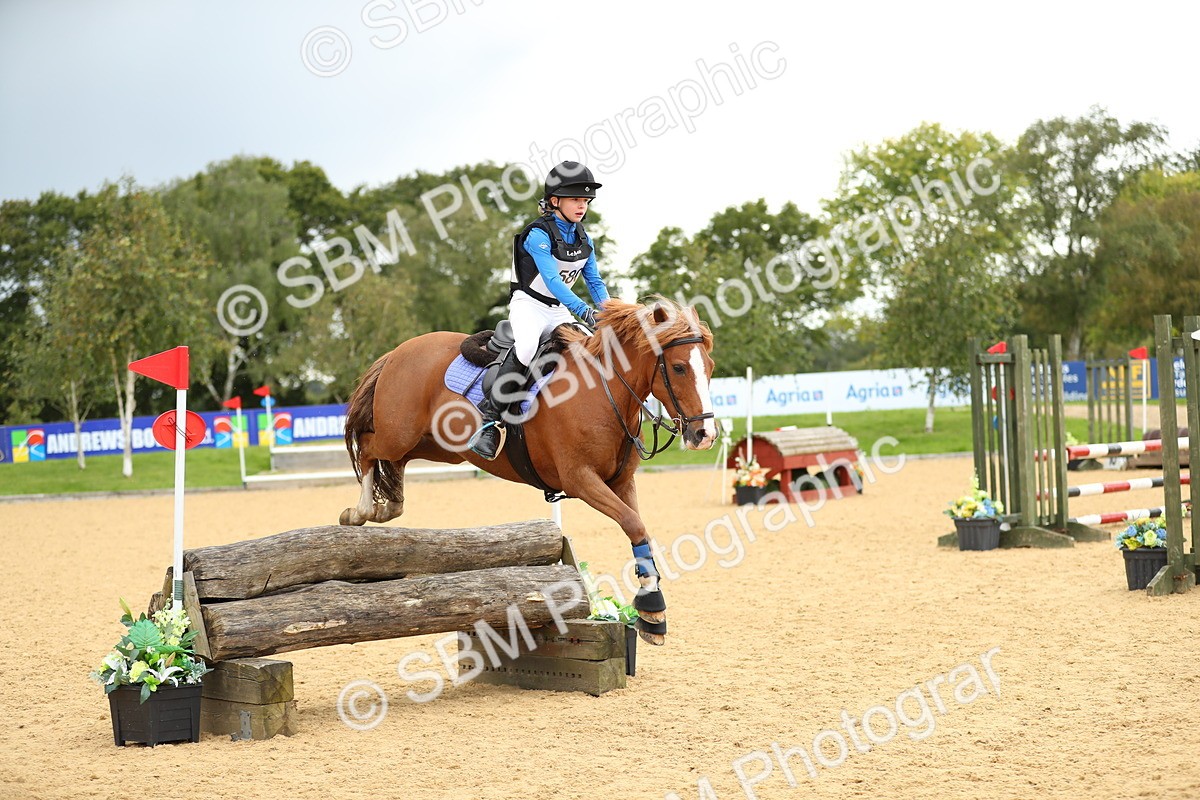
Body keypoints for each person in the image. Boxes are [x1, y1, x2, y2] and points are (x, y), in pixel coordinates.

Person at [468, 161, 610, 461]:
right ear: (555, 201)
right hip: (528, 305)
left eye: (585, 200)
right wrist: (584, 312)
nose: (581, 206)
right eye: (575, 199)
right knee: (527, 348)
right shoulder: (537, 235)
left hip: (558, 309)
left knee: (593, 347)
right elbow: (552, 281)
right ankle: (489, 421)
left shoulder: (585, 238)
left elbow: (595, 281)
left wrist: (609, 312)